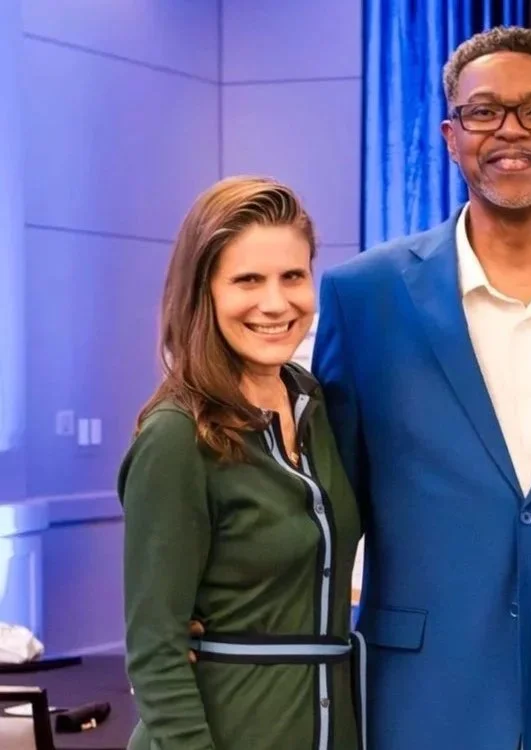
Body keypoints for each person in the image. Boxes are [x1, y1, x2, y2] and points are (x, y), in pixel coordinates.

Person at [313, 26, 531, 750]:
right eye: (484, 112)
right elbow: (327, 499)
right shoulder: (367, 296)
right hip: (423, 695)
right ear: (450, 134)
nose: (512, 130)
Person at [119, 177, 363, 750]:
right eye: (247, 280)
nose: (275, 303)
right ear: (203, 292)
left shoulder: (319, 406)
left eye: (293, 277)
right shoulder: (177, 437)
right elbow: (156, 649)